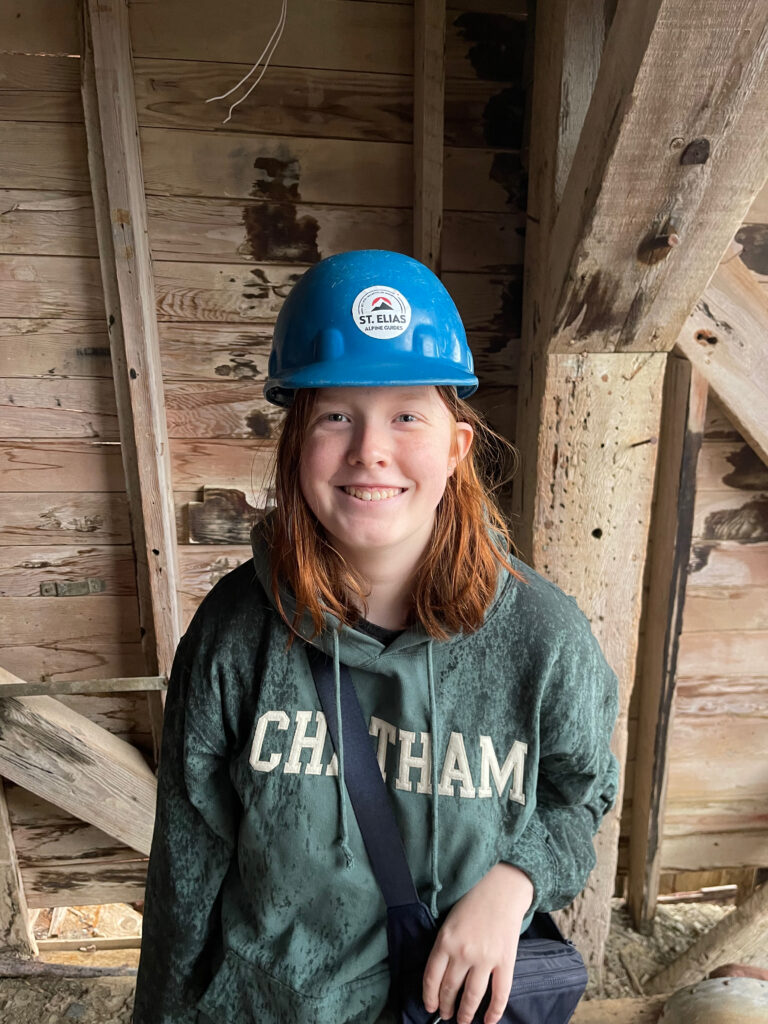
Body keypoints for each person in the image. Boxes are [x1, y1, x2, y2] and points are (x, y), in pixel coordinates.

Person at [132, 249, 619, 1024]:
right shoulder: (235, 633)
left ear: (456, 448)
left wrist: (515, 882)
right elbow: (186, 864)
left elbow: (580, 796)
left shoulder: (544, 639)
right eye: (335, 415)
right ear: (297, 443)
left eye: (405, 415)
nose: (369, 451)